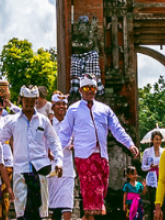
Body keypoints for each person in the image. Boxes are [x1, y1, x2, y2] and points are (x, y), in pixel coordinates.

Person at [58, 76, 140, 220]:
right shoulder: (73, 110)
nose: (90, 91)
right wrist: (56, 151)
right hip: (84, 157)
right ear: (80, 90)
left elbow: (116, 129)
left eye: (92, 88)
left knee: (101, 193)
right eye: (86, 88)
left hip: (102, 156)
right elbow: (65, 133)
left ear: (96, 90)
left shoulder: (104, 109)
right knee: (92, 197)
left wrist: (130, 144)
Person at [0, 86, 60, 220]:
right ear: (21, 99)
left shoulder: (43, 120)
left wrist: (59, 162)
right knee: (22, 212)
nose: (30, 104)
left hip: (40, 169)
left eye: (32, 101)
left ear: (36, 100)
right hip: (21, 169)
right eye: (27, 100)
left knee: (40, 213)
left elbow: (54, 142)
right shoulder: (12, 121)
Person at [139, 128, 165, 203]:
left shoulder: (164, 151)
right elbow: (143, 167)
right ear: (152, 140)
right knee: (153, 200)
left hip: (163, 177)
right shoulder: (147, 152)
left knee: (163, 200)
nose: (158, 141)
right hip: (152, 178)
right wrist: (150, 167)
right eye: (156, 139)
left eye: (159, 139)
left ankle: (162, 214)